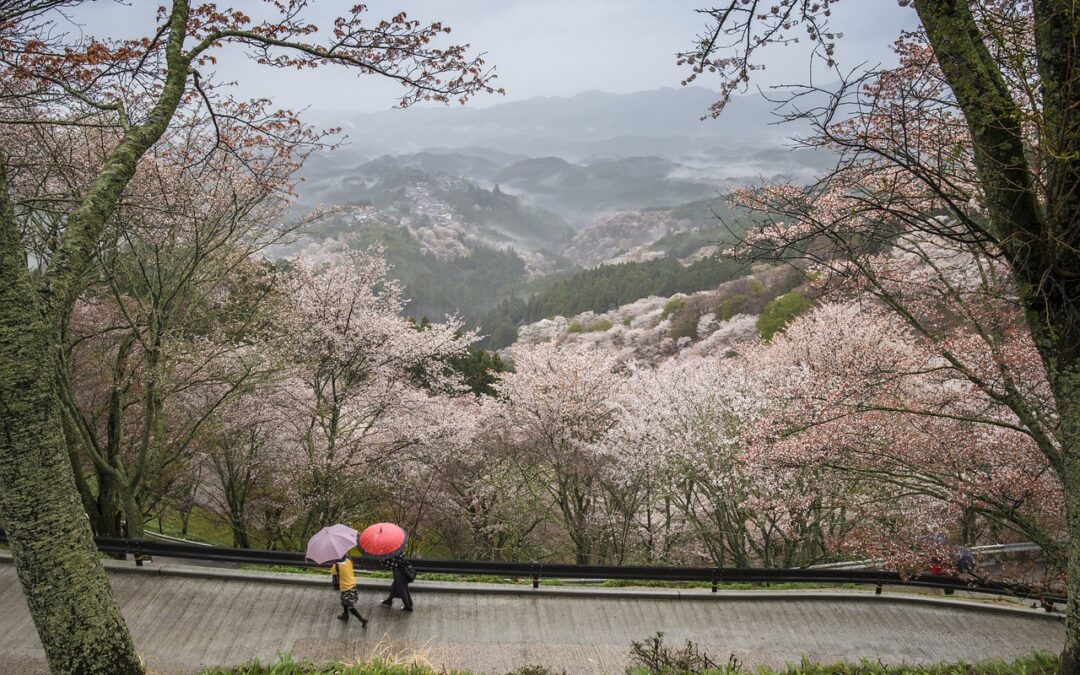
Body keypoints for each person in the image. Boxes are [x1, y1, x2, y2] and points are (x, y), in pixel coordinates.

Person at [330, 555, 368, 626]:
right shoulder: (349, 561)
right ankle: (345, 614)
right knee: (344, 601)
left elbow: (333, 574)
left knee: (349, 605)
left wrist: (334, 564)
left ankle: (361, 619)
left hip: (346, 587)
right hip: (352, 584)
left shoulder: (336, 566)